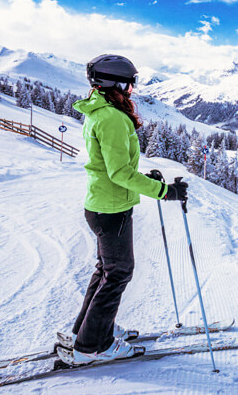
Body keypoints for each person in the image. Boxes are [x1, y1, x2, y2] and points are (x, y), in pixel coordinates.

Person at [68, 54, 188, 364]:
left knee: (107, 270)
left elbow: (114, 166)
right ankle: (92, 345)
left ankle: (88, 330)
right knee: (119, 273)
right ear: (116, 84)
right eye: (129, 84)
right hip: (111, 209)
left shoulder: (99, 112)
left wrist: (142, 178)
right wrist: (165, 191)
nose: (131, 90)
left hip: (101, 204)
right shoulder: (111, 118)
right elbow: (119, 173)